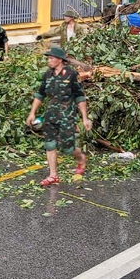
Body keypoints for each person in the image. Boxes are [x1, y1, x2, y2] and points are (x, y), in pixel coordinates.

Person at [25, 47, 92, 187]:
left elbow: (80, 97)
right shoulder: (47, 75)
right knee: (50, 145)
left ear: (60, 59)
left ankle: (81, 159)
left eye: (51, 58)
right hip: (50, 115)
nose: (49, 60)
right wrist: (32, 113)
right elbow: (40, 95)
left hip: (67, 115)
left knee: (67, 147)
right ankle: (53, 175)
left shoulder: (72, 75)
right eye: (48, 58)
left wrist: (85, 118)